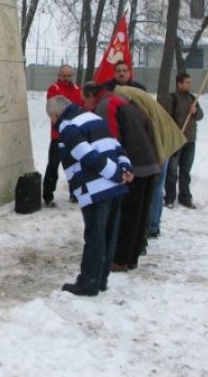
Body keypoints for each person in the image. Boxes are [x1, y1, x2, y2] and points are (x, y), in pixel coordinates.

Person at [46, 95, 133, 296]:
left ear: (55, 115)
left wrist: (117, 174)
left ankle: (89, 282)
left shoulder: (68, 127)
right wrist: (125, 168)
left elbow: (87, 156)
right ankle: (101, 279)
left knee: (95, 236)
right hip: (116, 187)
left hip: (95, 189)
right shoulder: (94, 118)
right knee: (109, 236)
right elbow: (117, 147)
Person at [82, 82, 160, 272]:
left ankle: (120, 259)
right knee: (140, 215)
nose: (87, 107)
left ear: (92, 96)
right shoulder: (122, 102)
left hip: (135, 167)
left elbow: (110, 141)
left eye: (86, 101)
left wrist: (111, 171)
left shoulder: (105, 105)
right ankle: (132, 257)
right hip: (149, 162)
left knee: (128, 215)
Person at [114, 85, 186, 237]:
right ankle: (152, 226)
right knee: (156, 189)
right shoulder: (132, 94)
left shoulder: (125, 98)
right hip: (162, 142)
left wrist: (159, 157)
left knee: (154, 188)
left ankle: (151, 226)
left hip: (159, 145)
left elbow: (151, 128)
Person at [161, 72, 204, 209]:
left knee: (185, 171)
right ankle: (170, 198)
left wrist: (195, 111)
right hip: (176, 140)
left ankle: (185, 197)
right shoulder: (171, 99)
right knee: (172, 171)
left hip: (190, 140)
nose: (189, 85)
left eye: (190, 82)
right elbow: (164, 118)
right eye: (187, 82)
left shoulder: (193, 98)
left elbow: (200, 116)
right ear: (179, 83)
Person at [43, 65, 83, 206]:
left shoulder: (78, 90)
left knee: (75, 166)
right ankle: (48, 196)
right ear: (59, 75)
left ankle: (75, 193)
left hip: (75, 135)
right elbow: (53, 110)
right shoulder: (54, 89)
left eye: (69, 76)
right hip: (58, 136)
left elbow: (81, 109)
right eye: (64, 76)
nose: (66, 78)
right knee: (53, 166)